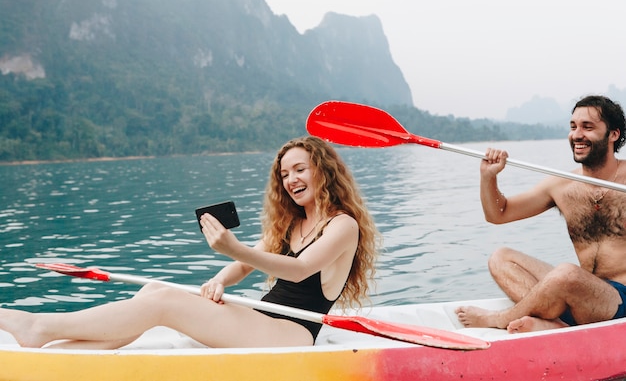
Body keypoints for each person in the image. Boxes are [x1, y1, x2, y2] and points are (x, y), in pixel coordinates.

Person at [0, 136, 381, 349]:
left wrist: (233, 247)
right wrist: (220, 278)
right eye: (284, 174)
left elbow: (300, 269)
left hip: (292, 334)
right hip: (261, 318)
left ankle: (40, 326)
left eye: (300, 169)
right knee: (153, 289)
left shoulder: (342, 225)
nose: (291, 180)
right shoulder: (292, 222)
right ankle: (66, 355)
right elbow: (247, 265)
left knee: (163, 302)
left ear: (323, 171)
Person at [456, 95, 626, 333]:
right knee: (501, 258)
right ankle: (554, 323)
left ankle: (499, 319)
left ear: (613, 134)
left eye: (588, 127)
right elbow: (498, 214)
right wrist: (488, 177)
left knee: (566, 274)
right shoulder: (561, 185)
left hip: (619, 301)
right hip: (582, 292)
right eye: (573, 127)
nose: (577, 135)